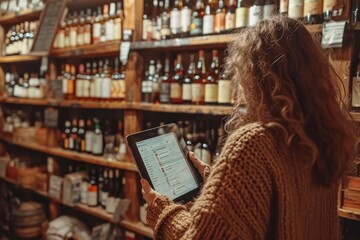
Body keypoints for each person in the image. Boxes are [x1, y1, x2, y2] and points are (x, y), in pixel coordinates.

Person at [140, 16, 355, 240]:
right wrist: (217, 181)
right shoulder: (320, 137)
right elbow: (278, 199)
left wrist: (163, 209)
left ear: (256, 78)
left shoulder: (253, 142)